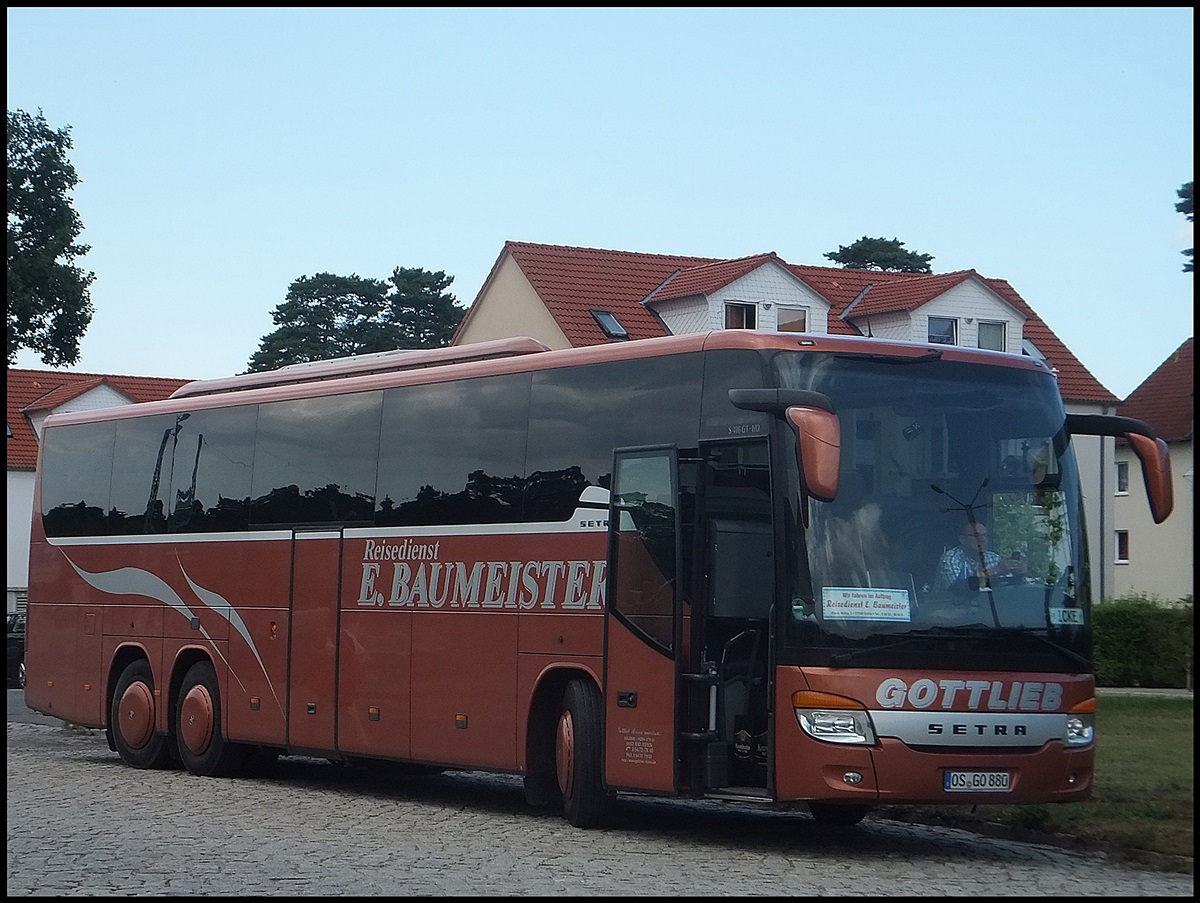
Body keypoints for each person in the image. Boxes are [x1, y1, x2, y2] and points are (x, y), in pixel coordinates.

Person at [935, 522, 1025, 591]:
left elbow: (1005, 585)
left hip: (984, 611)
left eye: (985, 536)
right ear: (963, 539)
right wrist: (996, 571)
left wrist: (1018, 574)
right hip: (947, 611)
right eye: (976, 535)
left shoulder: (993, 558)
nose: (982, 540)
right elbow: (960, 589)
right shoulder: (951, 559)